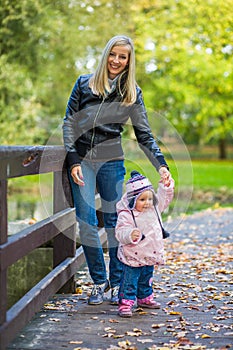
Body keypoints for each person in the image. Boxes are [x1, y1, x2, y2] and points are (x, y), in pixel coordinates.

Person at [62, 35, 172, 306]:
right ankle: (99, 282)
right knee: (87, 222)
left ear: (128, 61)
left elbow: (144, 135)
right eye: (113, 54)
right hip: (83, 161)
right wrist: (73, 160)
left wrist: (162, 166)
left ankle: (117, 285)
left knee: (115, 224)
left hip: (112, 161)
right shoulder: (83, 83)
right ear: (106, 55)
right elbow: (68, 124)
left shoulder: (132, 93)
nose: (116, 61)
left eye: (123, 57)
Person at [115, 170, 174, 317]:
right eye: (142, 200)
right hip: (133, 255)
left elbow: (164, 198)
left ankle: (145, 298)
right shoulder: (126, 214)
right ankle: (125, 303)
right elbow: (120, 232)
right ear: (133, 200)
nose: (147, 203)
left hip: (149, 253)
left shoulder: (154, 208)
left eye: (149, 199)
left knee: (146, 279)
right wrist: (130, 234)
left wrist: (166, 186)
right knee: (129, 280)